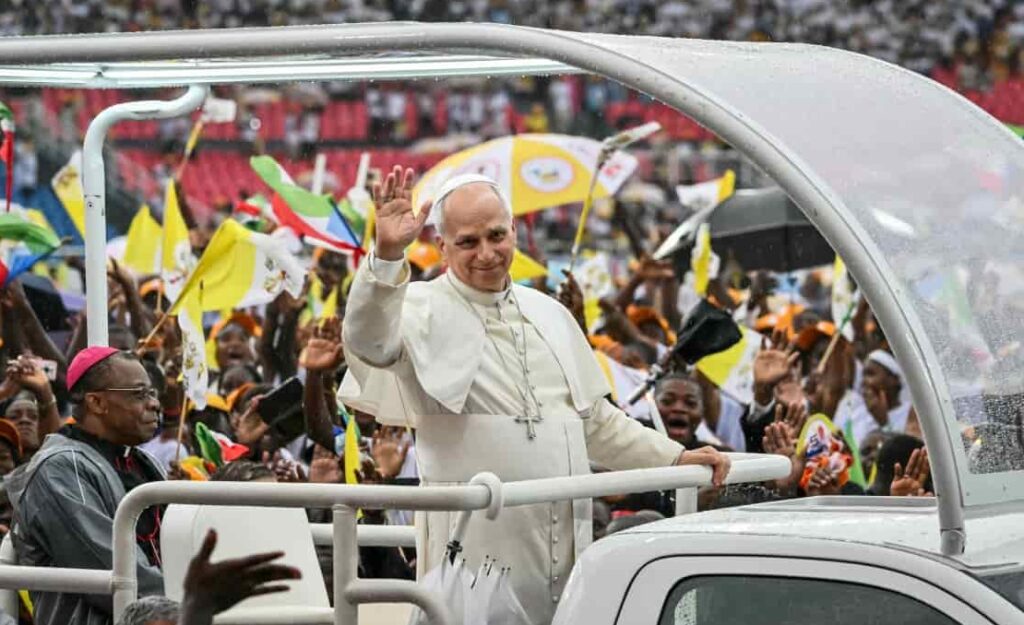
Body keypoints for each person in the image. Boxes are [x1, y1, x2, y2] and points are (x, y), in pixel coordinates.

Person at [340, 167, 730, 623]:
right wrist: (387, 256)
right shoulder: (420, 307)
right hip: (475, 542)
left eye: (496, 235)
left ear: (513, 234)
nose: (486, 253)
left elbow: (594, 423)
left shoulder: (549, 313)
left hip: (562, 538)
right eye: (468, 242)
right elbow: (369, 341)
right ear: (442, 247)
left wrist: (675, 460)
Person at [6, 347, 165, 625]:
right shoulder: (60, 468)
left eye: (152, 393)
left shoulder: (144, 461)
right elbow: (110, 568)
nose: (154, 404)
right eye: (140, 394)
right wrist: (191, 604)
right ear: (96, 402)